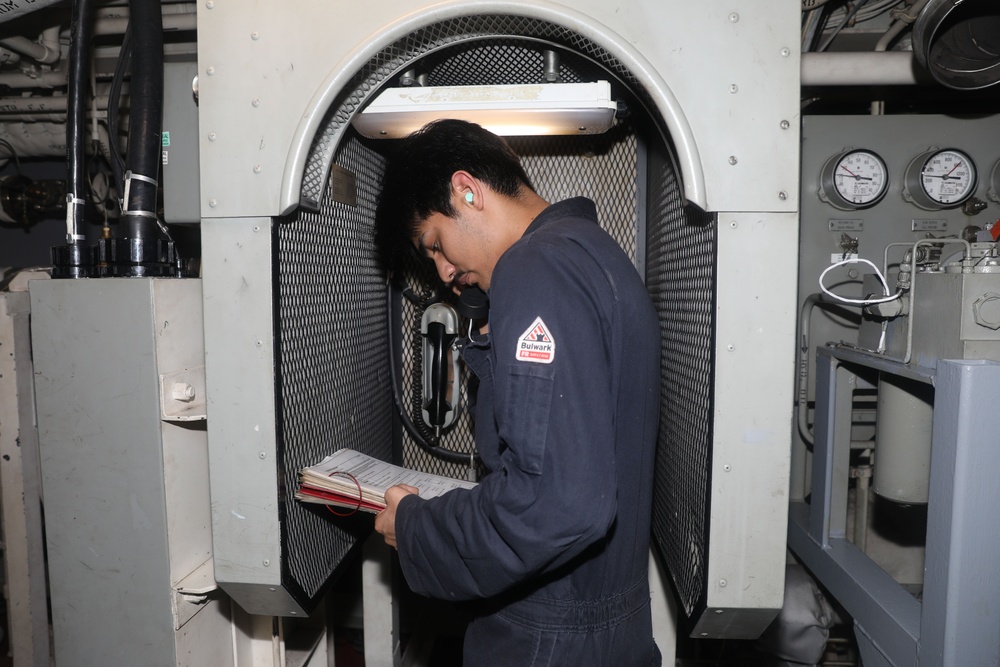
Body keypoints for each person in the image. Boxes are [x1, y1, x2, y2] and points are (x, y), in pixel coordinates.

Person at [373, 119, 662, 666]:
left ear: (467, 190)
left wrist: (418, 529)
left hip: (550, 638)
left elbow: (558, 505)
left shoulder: (536, 267)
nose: (441, 271)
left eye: (435, 243)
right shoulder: (594, 253)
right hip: (604, 624)